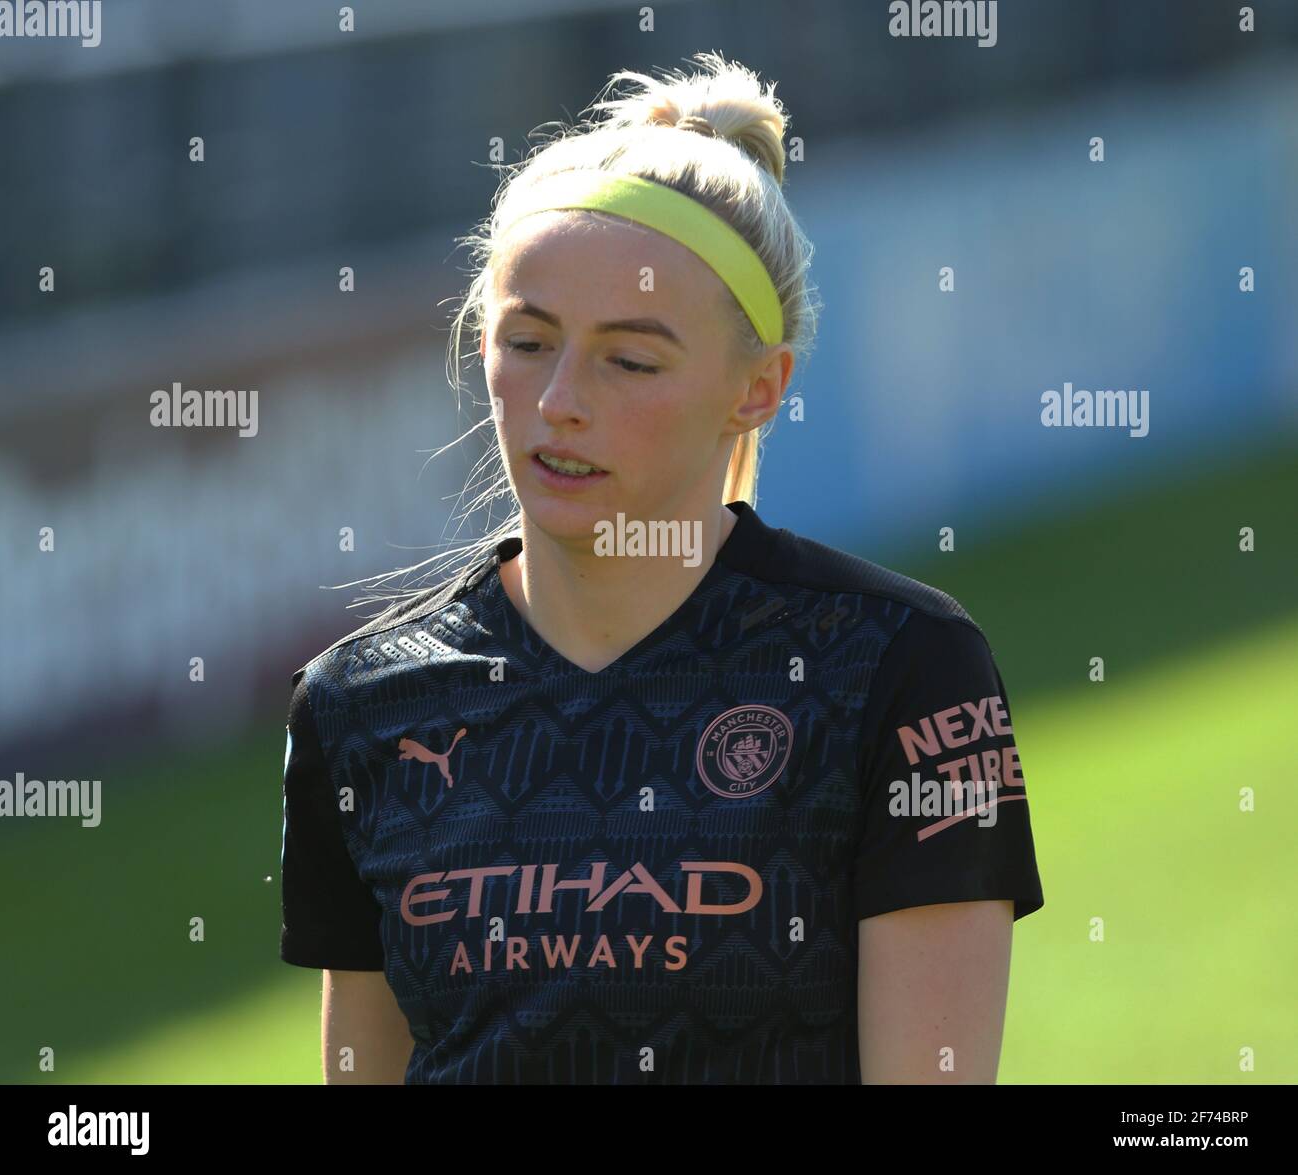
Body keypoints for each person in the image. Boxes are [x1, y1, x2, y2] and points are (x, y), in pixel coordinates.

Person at [279, 51, 1043, 1085]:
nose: (559, 401)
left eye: (628, 359)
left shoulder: (902, 672)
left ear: (758, 387)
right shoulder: (361, 704)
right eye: (527, 341)